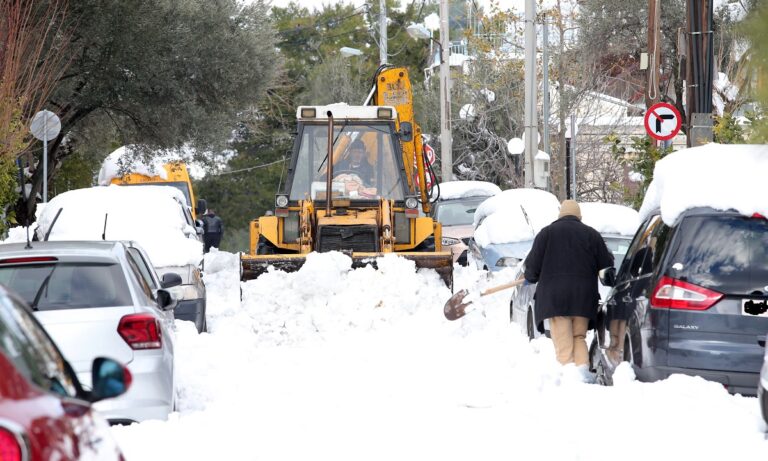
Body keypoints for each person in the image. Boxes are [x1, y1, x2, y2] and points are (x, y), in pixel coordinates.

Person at [523, 200, 614, 380]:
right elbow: (607, 266)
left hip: (556, 299)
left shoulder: (546, 234)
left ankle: (569, 380)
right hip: (583, 298)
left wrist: (530, 276)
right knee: (579, 337)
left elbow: (532, 268)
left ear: (560, 215)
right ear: (579, 216)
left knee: (563, 342)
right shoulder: (592, 235)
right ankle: (582, 375)